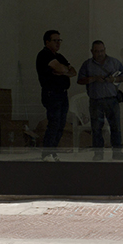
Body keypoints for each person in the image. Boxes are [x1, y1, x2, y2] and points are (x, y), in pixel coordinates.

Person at [77, 39, 123, 160]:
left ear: (105, 50)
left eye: (101, 51)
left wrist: (113, 80)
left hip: (112, 100)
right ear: (92, 51)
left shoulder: (114, 62)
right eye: (96, 51)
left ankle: (117, 152)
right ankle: (98, 153)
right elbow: (80, 80)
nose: (99, 54)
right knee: (96, 128)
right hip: (96, 100)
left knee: (115, 127)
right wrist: (93, 78)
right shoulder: (87, 64)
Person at [35, 29, 77, 160]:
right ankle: (47, 152)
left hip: (62, 94)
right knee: (53, 123)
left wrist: (62, 71)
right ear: (47, 41)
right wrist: (63, 70)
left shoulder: (59, 56)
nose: (58, 43)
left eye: (60, 40)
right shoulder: (44, 55)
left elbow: (73, 71)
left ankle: (53, 151)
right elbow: (61, 68)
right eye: (55, 40)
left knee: (61, 124)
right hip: (51, 94)